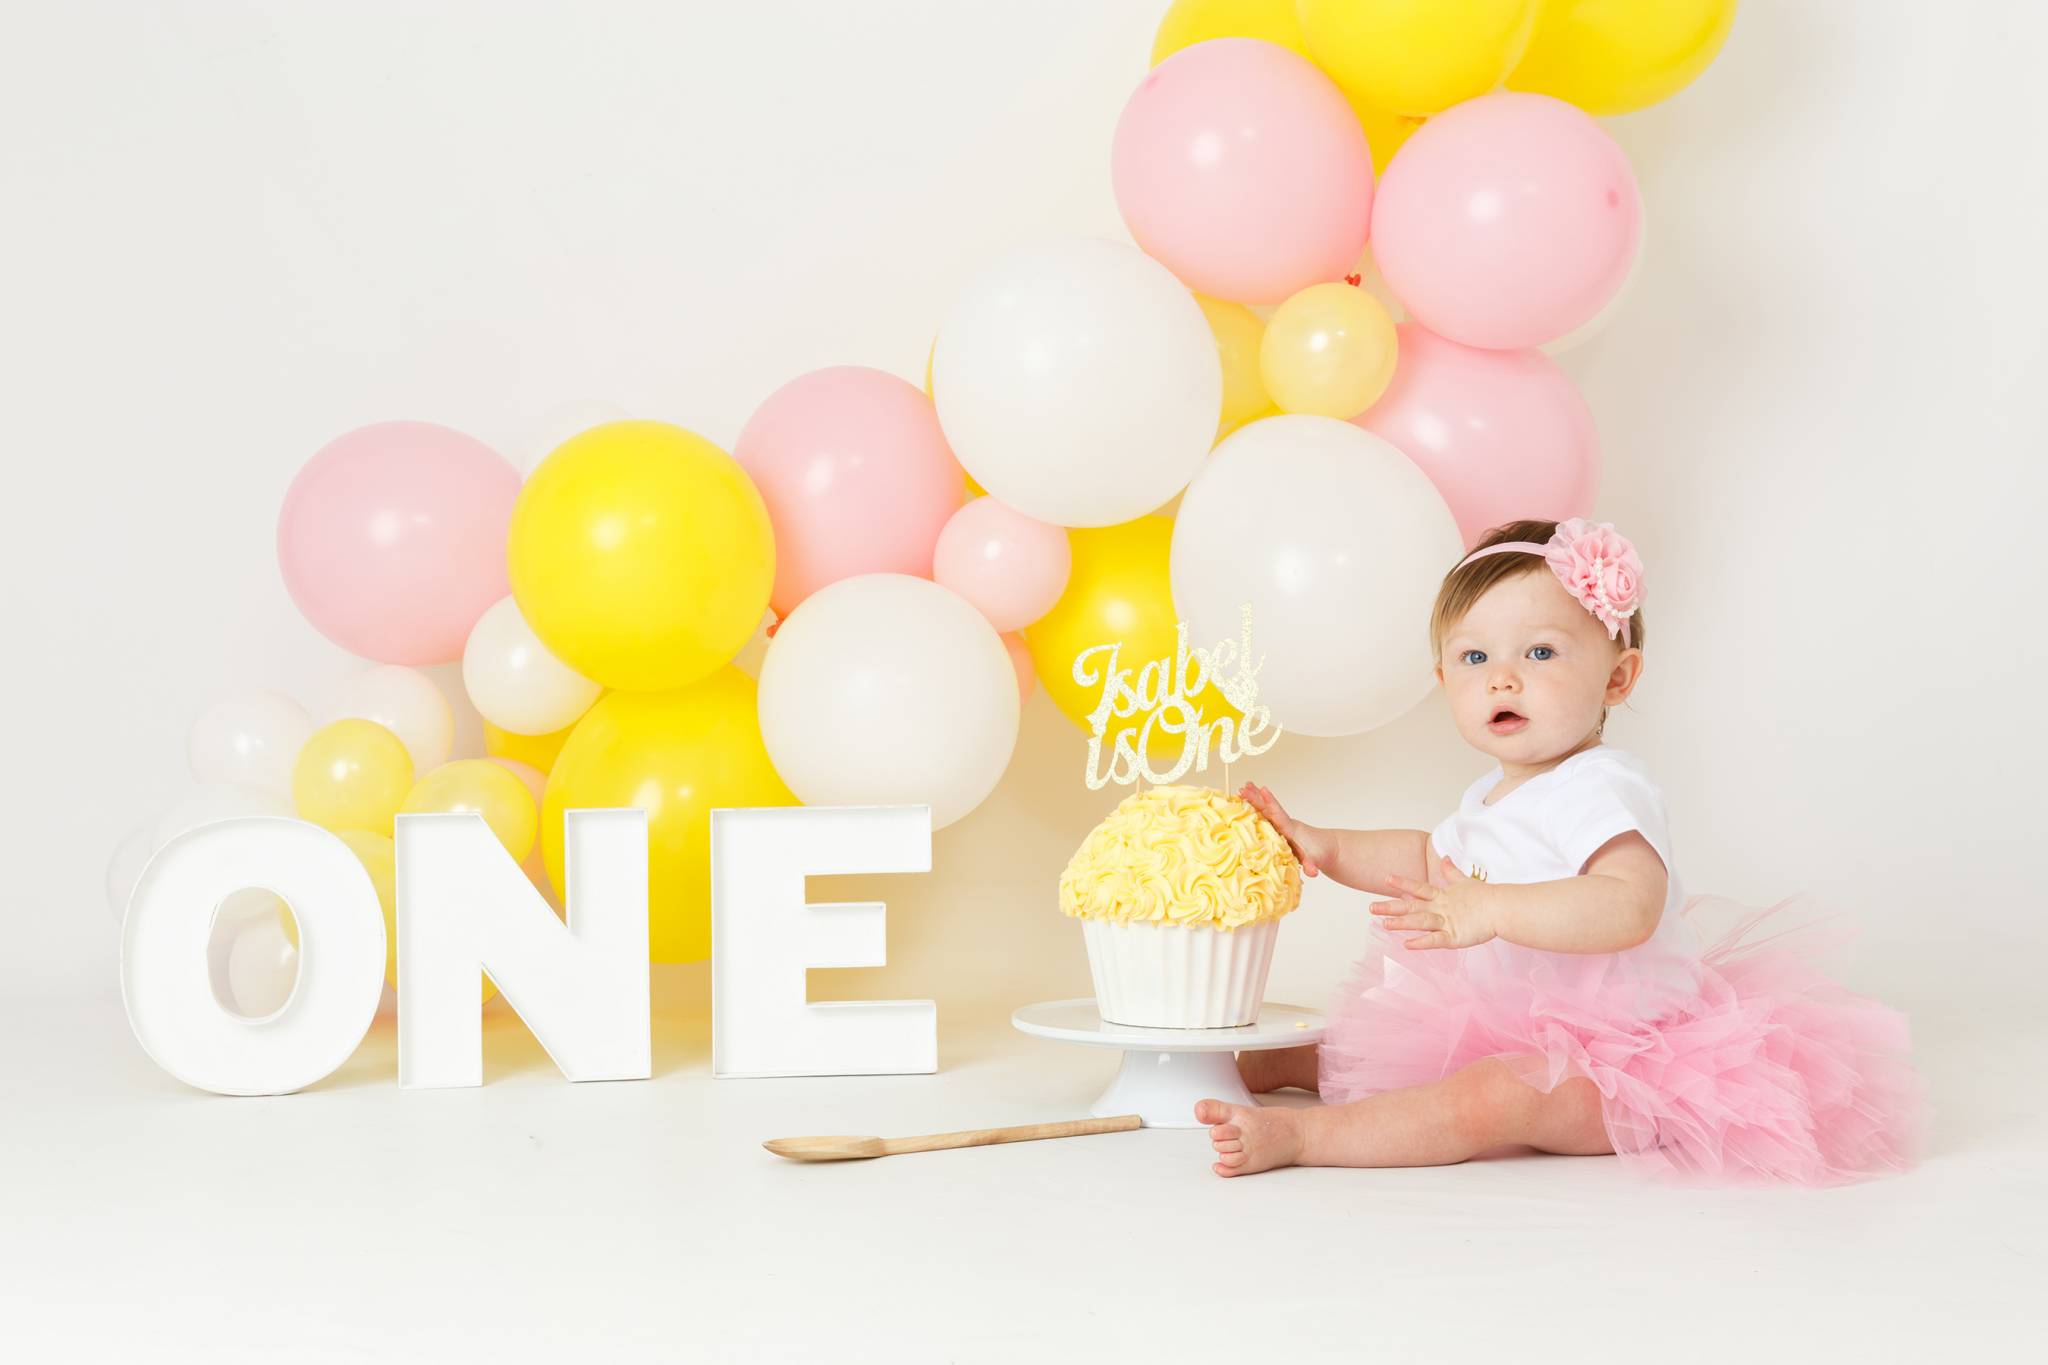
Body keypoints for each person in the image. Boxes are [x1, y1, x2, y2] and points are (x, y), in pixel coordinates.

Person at [1201, 517, 1928, 1185]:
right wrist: (1320, 842)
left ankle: (1303, 1137)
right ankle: (1292, 1068)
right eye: (1474, 656)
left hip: (1623, 1058)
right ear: (1445, 681)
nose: (1502, 677)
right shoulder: (1492, 792)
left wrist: (1488, 908)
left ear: (1617, 676)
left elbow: (1628, 903)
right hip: (1499, 1024)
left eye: (1540, 651)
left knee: (1492, 1098)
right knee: (1380, 1052)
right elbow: (1426, 860)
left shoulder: (1600, 786)